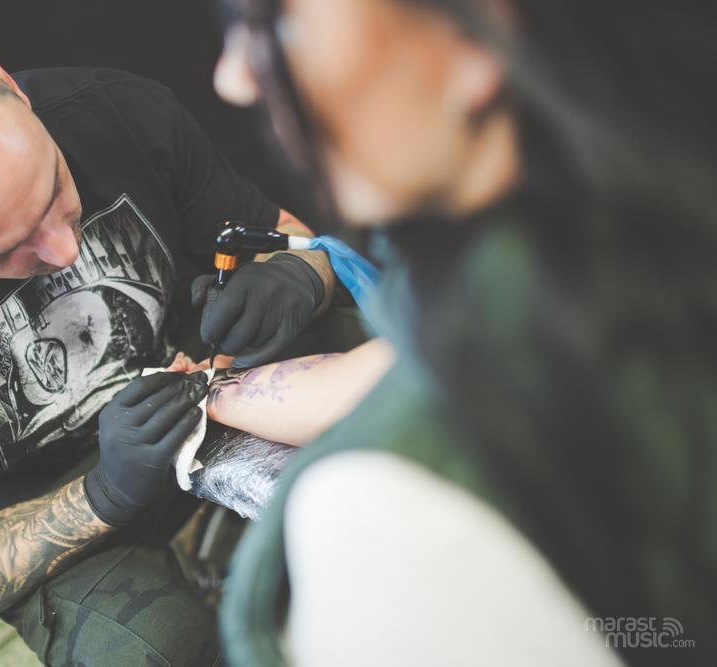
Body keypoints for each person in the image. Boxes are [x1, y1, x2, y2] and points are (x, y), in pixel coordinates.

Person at [0, 45, 341, 665]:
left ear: (11, 90)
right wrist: (103, 493)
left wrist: (299, 274)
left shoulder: (116, 110)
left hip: (203, 376)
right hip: (48, 501)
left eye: (52, 187)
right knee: (152, 652)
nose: (63, 250)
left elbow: (296, 240)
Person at [210, 1, 717, 666]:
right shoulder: (651, 242)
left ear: (480, 27)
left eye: (267, 17)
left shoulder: (376, 527)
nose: (234, 77)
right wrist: (219, 389)